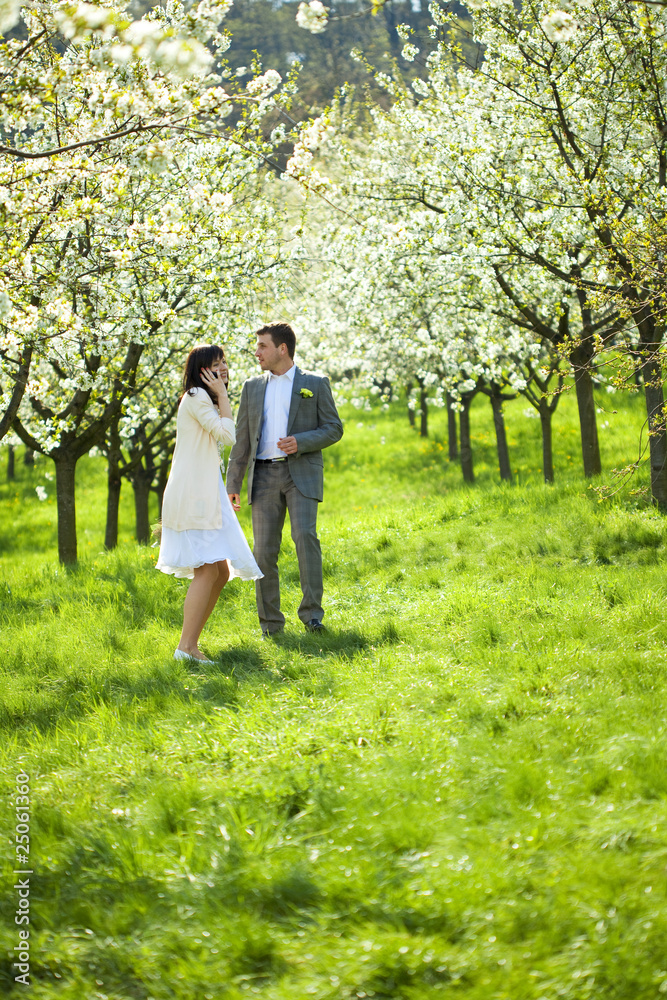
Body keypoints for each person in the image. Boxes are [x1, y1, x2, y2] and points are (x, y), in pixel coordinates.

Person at [226, 322, 343, 637]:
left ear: (282, 348)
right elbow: (242, 440)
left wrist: (301, 441)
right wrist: (232, 484)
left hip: (300, 473)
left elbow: (334, 428)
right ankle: (271, 625)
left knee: (305, 538)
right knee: (263, 551)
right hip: (262, 476)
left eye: (262, 345)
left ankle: (312, 617)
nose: (257, 352)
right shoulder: (251, 387)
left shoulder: (315, 384)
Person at [157, 344, 262, 662]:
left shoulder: (204, 399)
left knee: (221, 572)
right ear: (202, 370)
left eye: (225, 362)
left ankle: (190, 646)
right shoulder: (196, 397)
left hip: (204, 493)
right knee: (206, 570)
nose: (224, 369)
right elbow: (226, 436)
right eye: (216, 365)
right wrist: (224, 395)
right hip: (193, 497)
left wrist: (220, 394)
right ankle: (185, 648)